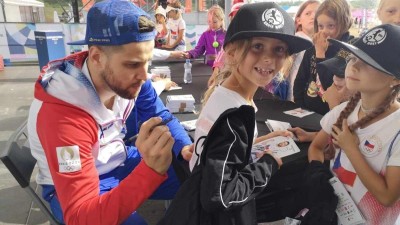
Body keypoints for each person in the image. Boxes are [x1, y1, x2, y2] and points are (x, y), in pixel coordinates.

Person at [27, 1, 192, 225]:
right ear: (96, 57)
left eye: (148, 62)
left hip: (120, 159)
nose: (144, 76)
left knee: (199, 177)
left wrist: (184, 147)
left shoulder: (130, 77)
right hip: (74, 187)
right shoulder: (62, 116)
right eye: (133, 64)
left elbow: (161, 115)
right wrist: (150, 170)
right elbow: (82, 217)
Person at [188, 2, 312, 224]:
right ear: (232, 51)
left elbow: (227, 152)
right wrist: (268, 164)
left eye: (279, 49)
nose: (269, 59)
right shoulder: (235, 114)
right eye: (257, 46)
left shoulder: (228, 92)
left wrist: (262, 141)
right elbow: (220, 196)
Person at [308, 24, 400, 225]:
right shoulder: (343, 111)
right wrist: (319, 177)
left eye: (368, 62)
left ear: (394, 79)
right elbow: (316, 147)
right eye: (353, 58)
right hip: (332, 215)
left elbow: (387, 197)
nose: (354, 66)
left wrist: (350, 148)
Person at [293, 0, 353, 115]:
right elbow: (300, 80)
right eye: (320, 26)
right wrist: (300, 106)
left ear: (343, 24)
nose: (324, 31)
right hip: (307, 112)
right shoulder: (313, 47)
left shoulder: (347, 50)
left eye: (331, 26)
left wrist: (320, 53)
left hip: (331, 115)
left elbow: (328, 83)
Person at [282, 0, 320, 101]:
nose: (313, 16)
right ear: (298, 20)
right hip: (295, 100)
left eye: (317, 13)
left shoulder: (316, 44)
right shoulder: (299, 42)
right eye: (308, 13)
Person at [208, 2, 245, 87]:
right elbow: (222, 53)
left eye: (240, 18)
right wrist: (215, 73)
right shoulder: (230, 36)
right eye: (234, 18)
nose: (236, 22)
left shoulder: (254, 38)